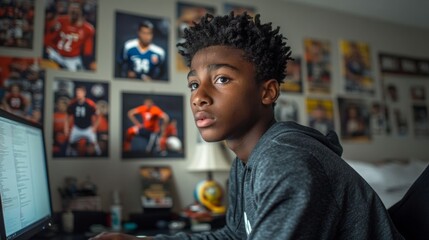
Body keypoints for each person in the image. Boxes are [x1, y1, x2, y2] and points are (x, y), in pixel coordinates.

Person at [92, 12, 403, 240]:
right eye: (193, 85)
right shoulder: (246, 162)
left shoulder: (285, 160)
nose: (199, 97)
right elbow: (234, 235)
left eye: (222, 79)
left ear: (267, 92)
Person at [44, 2, 95, 71]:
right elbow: (48, 39)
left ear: (81, 13)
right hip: (56, 55)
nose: (74, 12)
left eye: (76, 10)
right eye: (72, 10)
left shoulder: (88, 29)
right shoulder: (60, 20)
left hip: (73, 59)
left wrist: (88, 62)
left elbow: (87, 51)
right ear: (68, 11)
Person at [64, 86, 101, 156]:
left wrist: (95, 127)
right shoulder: (73, 103)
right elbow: (67, 116)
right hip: (76, 128)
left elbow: (98, 116)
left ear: (84, 93)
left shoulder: (90, 103)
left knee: (96, 147)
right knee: (69, 147)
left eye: (80, 92)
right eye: (77, 92)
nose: (78, 94)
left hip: (88, 128)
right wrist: (66, 127)